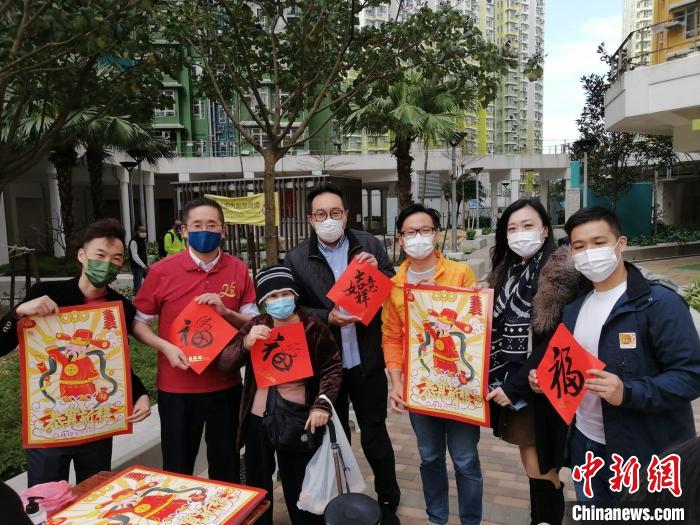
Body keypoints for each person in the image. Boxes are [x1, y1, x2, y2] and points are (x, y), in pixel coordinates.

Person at [530, 206, 700, 504]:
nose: (589, 252)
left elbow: (691, 376)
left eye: (599, 242)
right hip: (587, 445)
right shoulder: (574, 308)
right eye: (580, 246)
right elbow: (571, 368)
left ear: (620, 244)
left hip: (647, 454)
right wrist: (545, 379)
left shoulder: (659, 303)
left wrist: (628, 392)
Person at [0, 219, 151, 486]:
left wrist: (139, 393)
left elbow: (114, 363)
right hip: (50, 427)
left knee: (93, 495)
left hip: (97, 424)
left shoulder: (119, 307)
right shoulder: (46, 294)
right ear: (82, 256)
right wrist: (18, 312)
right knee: (46, 501)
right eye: (100, 255)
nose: (107, 263)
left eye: (116, 258)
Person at [284, 183, 401, 524]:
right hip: (328, 365)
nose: (329, 220)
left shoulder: (369, 243)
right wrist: (327, 317)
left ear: (346, 215)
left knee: (375, 433)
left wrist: (377, 270)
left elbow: (391, 282)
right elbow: (292, 308)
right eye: (321, 214)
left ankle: (388, 498)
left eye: (335, 213)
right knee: (336, 435)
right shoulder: (297, 258)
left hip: (366, 359)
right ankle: (340, 500)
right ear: (310, 219)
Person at [132, 197, 259, 483]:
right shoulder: (162, 270)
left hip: (225, 386)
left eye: (212, 225)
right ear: (184, 230)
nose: (205, 231)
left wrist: (226, 311)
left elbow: (254, 321)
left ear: (223, 230)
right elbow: (139, 323)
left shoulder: (238, 269)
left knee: (226, 466)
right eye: (197, 225)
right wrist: (166, 346)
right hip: (177, 387)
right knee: (178, 468)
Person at [218, 266, 342, 525]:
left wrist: (322, 405)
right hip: (258, 417)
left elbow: (332, 366)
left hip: (298, 418)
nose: (280, 300)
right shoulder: (257, 325)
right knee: (257, 482)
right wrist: (246, 344)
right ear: (263, 301)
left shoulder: (313, 326)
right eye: (273, 296)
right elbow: (225, 363)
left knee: (298, 480)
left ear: (295, 295)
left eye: (286, 293)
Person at [381, 203, 481, 525]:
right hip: (421, 387)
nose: (418, 237)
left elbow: (474, 326)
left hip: (461, 387)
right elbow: (391, 335)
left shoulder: (459, 273)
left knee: (465, 460)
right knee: (430, 457)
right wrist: (396, 382)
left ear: (436, 235)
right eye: (410, 233)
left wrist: (478, 303)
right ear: (400, 240)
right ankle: (436, 519)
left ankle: (470, 521)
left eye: (425, 231)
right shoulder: (394, 284)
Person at [484, 198, 580, 525]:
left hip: (539, 385)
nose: (519, 233)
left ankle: (549, 516)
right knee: (533, 460)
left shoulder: (558, 271)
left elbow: (555, 338)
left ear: (544, 228)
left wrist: (515, 385)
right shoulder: (507, 269)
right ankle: (540, 516)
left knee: (540, 463)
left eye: (527, 225)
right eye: (512, 228)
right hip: (514, 381)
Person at [129, 224, 149, 292]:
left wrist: (146, 264)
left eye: (145, 231)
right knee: (138, 286)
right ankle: (137, 300)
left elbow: (143, 254)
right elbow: (135, 256)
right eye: (142, 231)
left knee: (150, 280)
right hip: (137, 267)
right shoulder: (133, 241)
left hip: (143, 266)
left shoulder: (142, 240)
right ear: (137, 232)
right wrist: (144, 266)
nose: (144, 232)